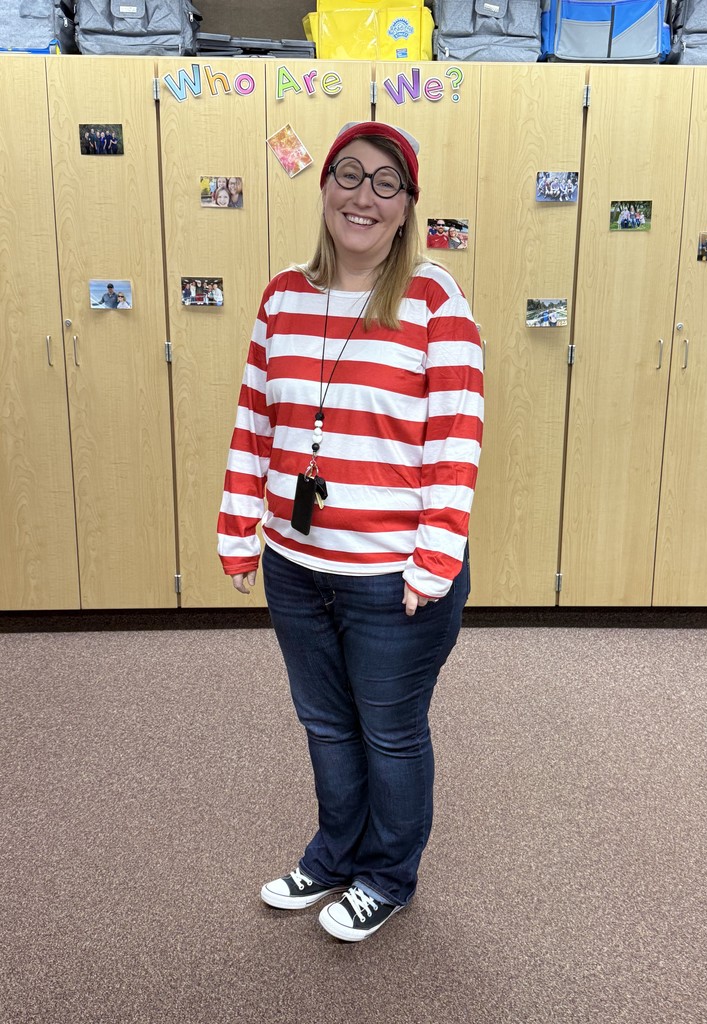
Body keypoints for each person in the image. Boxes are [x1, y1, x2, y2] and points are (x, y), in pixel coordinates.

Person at [217, 121, 483, 943]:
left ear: (407, 208)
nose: (362, 196)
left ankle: (387, 875)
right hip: (295, 565)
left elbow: (457, 438)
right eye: (348, 175)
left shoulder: (434, 300)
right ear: (323, 186)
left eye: (385, 184)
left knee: (391, 732)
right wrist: (239, 530)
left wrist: (432, 562)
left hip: (393, 575)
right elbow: (256, 421)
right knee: (325, 723)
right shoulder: (282, 295)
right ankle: (334, 855)